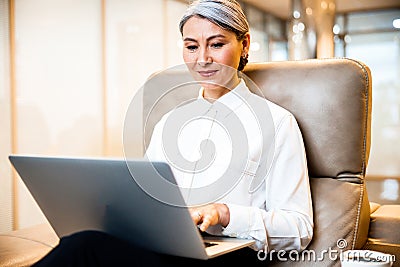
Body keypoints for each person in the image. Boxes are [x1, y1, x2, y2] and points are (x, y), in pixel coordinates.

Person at [33, 0, 313, 266]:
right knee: (83, 242)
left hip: (227, 257)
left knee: (84, 248)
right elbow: (143, 198)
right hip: (163, 250)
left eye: (216, 44)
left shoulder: (277, 124)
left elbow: (299, 228)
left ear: (245, 44)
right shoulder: (169, 123)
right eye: (191, 47)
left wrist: (226, 214)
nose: (203, 59)